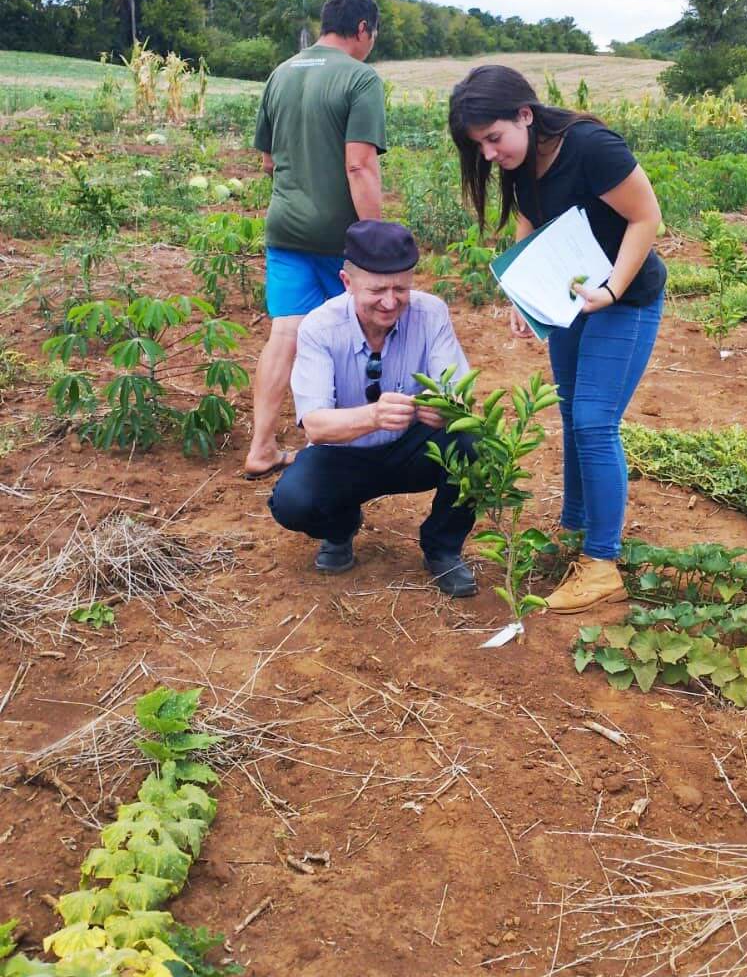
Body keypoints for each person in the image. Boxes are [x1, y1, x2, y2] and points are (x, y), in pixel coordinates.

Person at [448, 64, 666, 614]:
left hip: (625, 297)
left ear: (525, 114)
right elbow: (531, 219)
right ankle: (573, 529)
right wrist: (525, 293)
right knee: (571, 412)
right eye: (480, 147)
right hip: (574, 296)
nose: (491, 155)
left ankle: (601, 563)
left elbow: (647, 218)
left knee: (595, 420)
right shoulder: (522, 157)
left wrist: (612, 291)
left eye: (494, 139)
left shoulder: (591, 147)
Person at [268, 220, 478, 598]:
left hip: (414, 451)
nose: (390, 301)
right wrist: (373, 416)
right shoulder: (319, 327)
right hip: (342, 456)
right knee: (292, 502)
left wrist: (447, 409)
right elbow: (315, 425)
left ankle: (443, 547)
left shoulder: (431, 313)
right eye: (377, 290)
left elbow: (458, 391)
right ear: (347, 283)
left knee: (473, 442)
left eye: (401, 288)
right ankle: (340, 525)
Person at [245, 0, 386, 478]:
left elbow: (267, 160)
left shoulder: (280, 73)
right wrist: (376, 238)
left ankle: (262, 447)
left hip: (284, 227)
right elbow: (360, 166)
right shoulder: (360, 78)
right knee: (361, 330)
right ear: (363, 29)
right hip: (339, 235)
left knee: (286, 331)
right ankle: (356, 439)